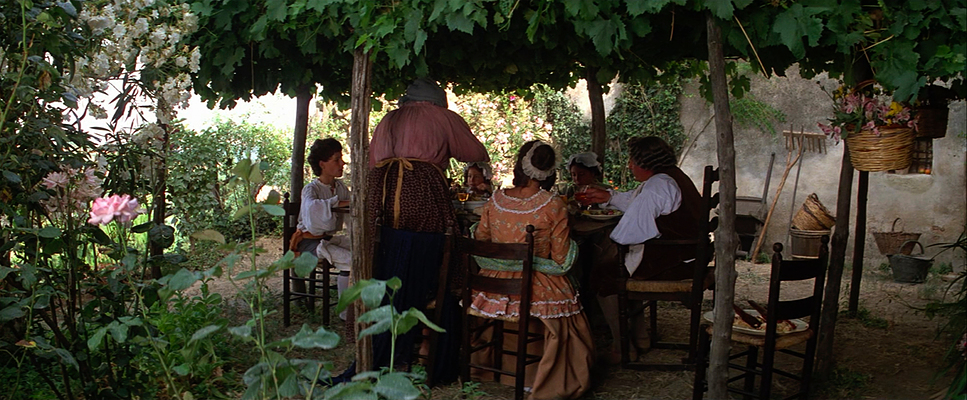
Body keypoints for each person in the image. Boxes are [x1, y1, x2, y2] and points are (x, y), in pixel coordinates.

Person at [350, 77, 488, 384]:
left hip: (383, 196)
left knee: (388, 259)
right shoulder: (442, 116)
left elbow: (373, 161)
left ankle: (393, 347)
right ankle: (428, 336)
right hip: (422, 194)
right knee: (442, 260)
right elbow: (476, 153)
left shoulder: (389, 118)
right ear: (438, 99)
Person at [469, 140, 594, 400]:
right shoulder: (553, 204)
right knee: (569, 313)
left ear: (520, 164)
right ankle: (541, 378)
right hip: (536, 284)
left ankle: (494, 369)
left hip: (494, 287)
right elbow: (560, 258)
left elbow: (481, 240)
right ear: (549, 171)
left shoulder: (496, 199)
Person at [578, 136, 703, 361]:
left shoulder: (657, 186)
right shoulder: (671, 177)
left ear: (645, 163)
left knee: (603, 276)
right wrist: (609, 197)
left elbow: (629, 232)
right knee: (622, 266)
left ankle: (622, 348)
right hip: (689, 255)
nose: (630, 166)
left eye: (632, 161)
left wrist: (610, 242)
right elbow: (640, 203)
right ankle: (641, 336)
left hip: (676, 262)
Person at [289, 138, 352, 319]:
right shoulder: (311, 189)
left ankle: (358, 307)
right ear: (322, 164)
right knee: (352, 261)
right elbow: (313, 212)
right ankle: (347, 314)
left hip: (325, 240)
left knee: (364, 252)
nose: (342, 163)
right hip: (308, 244)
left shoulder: (340, 187)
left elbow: (352, 208)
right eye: (337, 160)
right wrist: (338, 203)